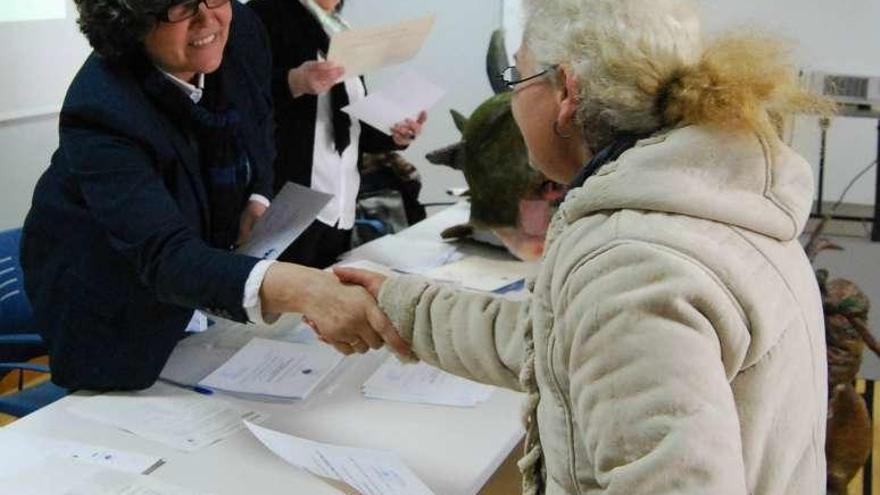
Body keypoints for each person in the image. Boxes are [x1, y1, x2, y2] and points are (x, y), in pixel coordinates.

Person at [335, 0, 830, 493]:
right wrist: (398, 304)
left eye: (519, 78)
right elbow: (555, 338)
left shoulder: (630, 264)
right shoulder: (711, 202)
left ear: (566, 91)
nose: (514, 98)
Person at [21, 0, 408, 392]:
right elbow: (165, 255)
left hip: (200, 295)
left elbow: (258, 119)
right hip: (110, 299)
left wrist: (257, 196)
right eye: (181, 7)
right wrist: (305, 290)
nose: (209, 20)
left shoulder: (240, 29)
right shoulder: (102, 109)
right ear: (129, 23)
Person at [248, 0, 427, 268]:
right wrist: (293, 82)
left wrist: (394, 133)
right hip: (288, 201)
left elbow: (350, 123)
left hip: (340, 204)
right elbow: (239, 99)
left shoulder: (339, 29)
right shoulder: (263, 14)